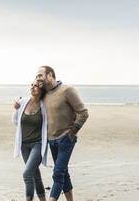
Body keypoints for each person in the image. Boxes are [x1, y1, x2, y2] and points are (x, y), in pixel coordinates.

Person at [36, 65, 89, 201]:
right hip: (51, 140)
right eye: (37, 76)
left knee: (58, 173)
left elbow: (83, 113)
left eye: (40, 75)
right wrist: (18, 105)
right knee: (64, 174)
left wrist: (73, 131)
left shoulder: (67, 90)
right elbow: (32, 100)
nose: (38, 78)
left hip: (65, 139)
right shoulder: (44, 95)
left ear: (50, 75)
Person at [12, 80, 48, 201]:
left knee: (27, 174)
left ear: (41, 90)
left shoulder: (45, 106)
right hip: (24, 145)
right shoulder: (22, 102)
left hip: (38, 144)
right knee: (35, 175)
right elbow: (15, 121)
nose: (32, 87)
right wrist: (16, 109)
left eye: (36, 86)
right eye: (32, 85)